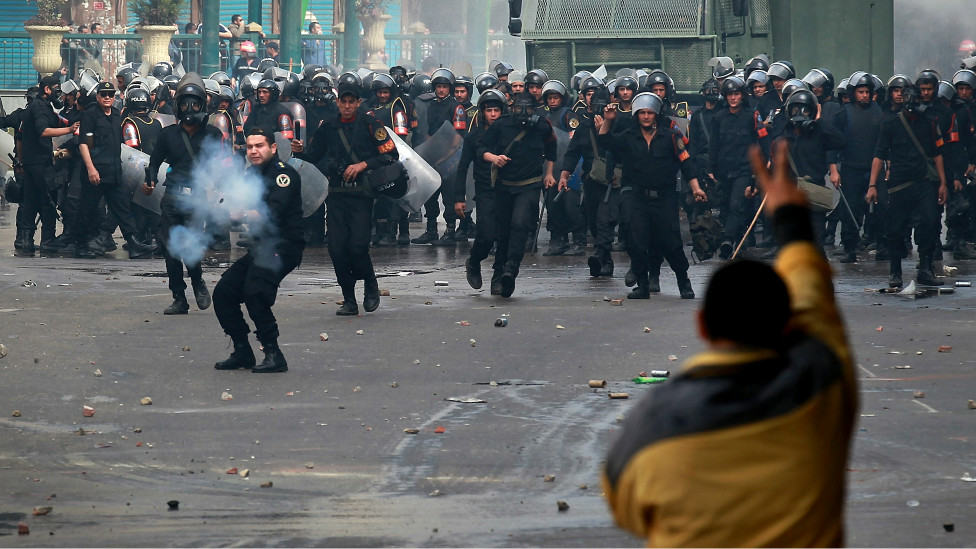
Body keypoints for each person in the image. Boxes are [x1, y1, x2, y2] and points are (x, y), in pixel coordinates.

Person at [603, 142, 857, 547]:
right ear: (783, 321)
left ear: (702, 324)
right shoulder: (819, 382)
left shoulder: (655, 421)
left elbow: (626, 506)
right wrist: (794, 224)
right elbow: (815, 299)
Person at [292, 81, 399, 315]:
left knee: (358, 246)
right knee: (337, 248)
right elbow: (313, 155)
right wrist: (299, 151)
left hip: (362, 194)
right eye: (344, 101)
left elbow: (391, 154)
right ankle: (349, 298)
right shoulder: (328, 126)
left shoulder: (371, 124)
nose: (347, 106)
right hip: (336, 195)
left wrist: (363, 165)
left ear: (358, 102)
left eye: (352, 102)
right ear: (338, 101)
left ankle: (370, 283)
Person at [213, 126, 304, 374]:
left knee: (255, 292)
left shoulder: (283, 176)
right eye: (250, 147)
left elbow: (270, 213)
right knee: (224, 293)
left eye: (259, 146)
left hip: (283, 246)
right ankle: (242, 350)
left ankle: (274, 353)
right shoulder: (249, 176)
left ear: (273, 148)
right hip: (260, 246)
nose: (253, 151)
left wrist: (240, 212)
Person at [598, 92, 704, 299]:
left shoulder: (671, 137)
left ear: (657, 114)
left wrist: (696, 187)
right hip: (638, 197)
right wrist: (608, 121)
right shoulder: (629, 136)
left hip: (664, 198)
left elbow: (686, 162)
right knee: (635, 240)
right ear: (636, 115)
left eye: (650, 113)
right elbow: (605, 142)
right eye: (642, 113)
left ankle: (683, 281)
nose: (646, 116)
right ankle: (643, 285)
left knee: (671, 242)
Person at [145, 73, 225, 315]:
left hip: (197, 199)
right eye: (185, 103)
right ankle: (179, 298)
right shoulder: (168, 134)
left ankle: (198, 282)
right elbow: (154, 162)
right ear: (178, 106)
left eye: (195, 103)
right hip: (172, 198)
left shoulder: (213, 135)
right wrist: (149, 180)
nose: (190, 108)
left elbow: (221, 165)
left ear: (203, 105)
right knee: (170, 251)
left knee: (189, 248)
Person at [867, 80, 948, 288]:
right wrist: (872, 185)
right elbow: (879, 154)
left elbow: (938, 154)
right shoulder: (891, 123)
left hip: (925, 182)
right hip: (899, 182)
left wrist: (942, 183)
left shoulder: (930, 122)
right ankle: (895, 272)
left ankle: (925, 267)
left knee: (930, 223)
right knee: (895, 228)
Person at [478, 92, 557, 297]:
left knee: (520, 225)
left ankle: (511, 269)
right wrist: (494, 158)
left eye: (528, 109)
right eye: (519, 108)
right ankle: (498, 273)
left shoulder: (542, 126)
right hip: (504, 185)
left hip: (529, 184)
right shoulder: (501, 125)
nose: (523, 113)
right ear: (511, 108)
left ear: (535, 109)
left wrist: (549, 173)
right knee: (503, 231)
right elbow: (481, 147)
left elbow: (552, 149)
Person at [74, 81, 156, 259]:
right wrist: (91, 169)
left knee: (122, 208)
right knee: (87, 209)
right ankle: (80, 244)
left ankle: (133, 244)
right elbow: (84, 144)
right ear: (97, 96)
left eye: (110, 94)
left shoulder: (117, 115)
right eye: (103, 94)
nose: (107, 97)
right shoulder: (91, 115)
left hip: (114, 171)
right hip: (96, 172)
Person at [19, 76, 78, 255]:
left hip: (30, 162)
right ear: (46, 90)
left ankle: (25, 240)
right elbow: (44, 131)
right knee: (48, 201)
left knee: (29, 202)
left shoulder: (40, 107)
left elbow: (58, 121)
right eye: (56, 89)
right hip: (40, 163)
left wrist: (74, 120)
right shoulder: (39, 108)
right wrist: (70, 130)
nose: (59, 94)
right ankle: (48, 241)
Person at [457, 89, 506, 292]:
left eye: (496, 110)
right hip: (485, 189)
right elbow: (462, 168)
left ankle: (499, 275)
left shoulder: (508, 134)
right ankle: (474, 260)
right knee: (486, 233)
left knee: (505, 235)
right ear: (482, 112)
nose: (493, 115)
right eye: (489, 110)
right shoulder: (473, 137)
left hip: (508, 189)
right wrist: (459, 198)